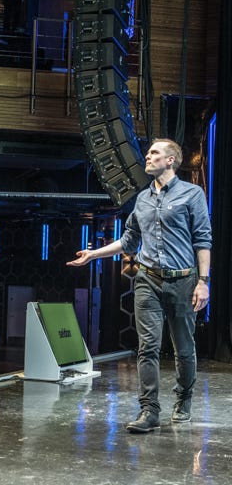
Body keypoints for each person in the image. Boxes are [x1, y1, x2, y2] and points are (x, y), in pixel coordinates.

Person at [67, 138, 212, 433]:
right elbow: (129, 241)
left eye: (154, 153)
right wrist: (93, 254)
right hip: (147, 280)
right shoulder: (142, 199)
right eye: (148, 153)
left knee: (184, 348)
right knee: (147, 348)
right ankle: (149, 410)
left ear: (170, 160)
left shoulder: (192, 194)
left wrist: (203, 281)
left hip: (183, 281)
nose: (147, 156)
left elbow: (203, 240)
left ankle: (183, 400)